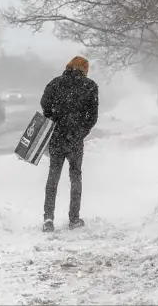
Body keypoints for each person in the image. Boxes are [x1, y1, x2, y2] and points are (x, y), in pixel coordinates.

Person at [40, 56, 99, 232]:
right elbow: (93, 116)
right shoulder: (90, 86)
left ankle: (48, 218)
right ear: (84, 69)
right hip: (75, 140)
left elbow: (44, 105)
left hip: (57, 137)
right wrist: (81, 132)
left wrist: (55, 118)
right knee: (75, 177)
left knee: (53, 176)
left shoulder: (55, 83)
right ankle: (74, 218)